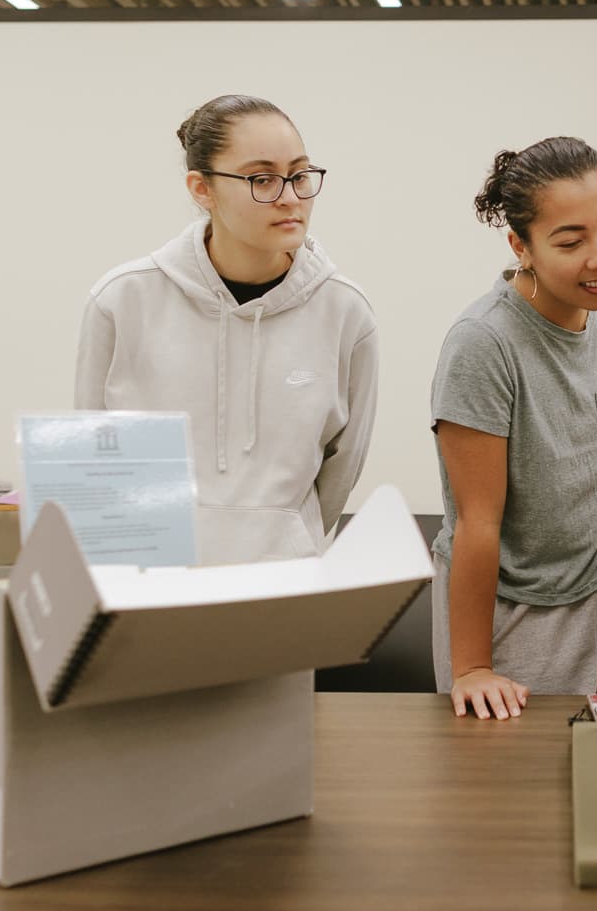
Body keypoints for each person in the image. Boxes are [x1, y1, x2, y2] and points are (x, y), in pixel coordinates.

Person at [75, 94, 377, 564]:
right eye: (262, 179)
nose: (290, 197)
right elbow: (96, 457)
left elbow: (343, 467)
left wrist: (289, 534)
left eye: (299, 176)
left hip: (286, 590)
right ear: (202, 189)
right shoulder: (122, 299)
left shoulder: (345, 310)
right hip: (150, 589)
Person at [431, 137, 597, 718]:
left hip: (596, 589)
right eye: (571, 241)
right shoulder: (484, 344)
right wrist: (473, 667)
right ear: (521, 246)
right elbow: (477, 522)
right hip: (507, 611)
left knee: (591, 769)